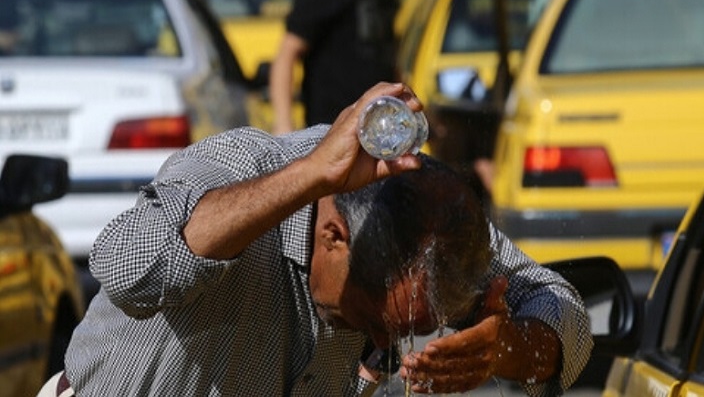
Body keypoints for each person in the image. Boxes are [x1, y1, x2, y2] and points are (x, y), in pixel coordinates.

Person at [43, 82, 592, 396]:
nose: (392, 348)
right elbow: (127, 270)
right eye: (374, 325)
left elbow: (565, 310)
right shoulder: (240, 166)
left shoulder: (428, 213)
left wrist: (507, 347)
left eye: (411, 333)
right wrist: (309, 177)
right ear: (333, 236)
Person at [269, 0, 403, 134]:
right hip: (329, 131)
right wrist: (283, 121)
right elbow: (287, 54)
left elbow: (389, 58)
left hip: (379, 129)